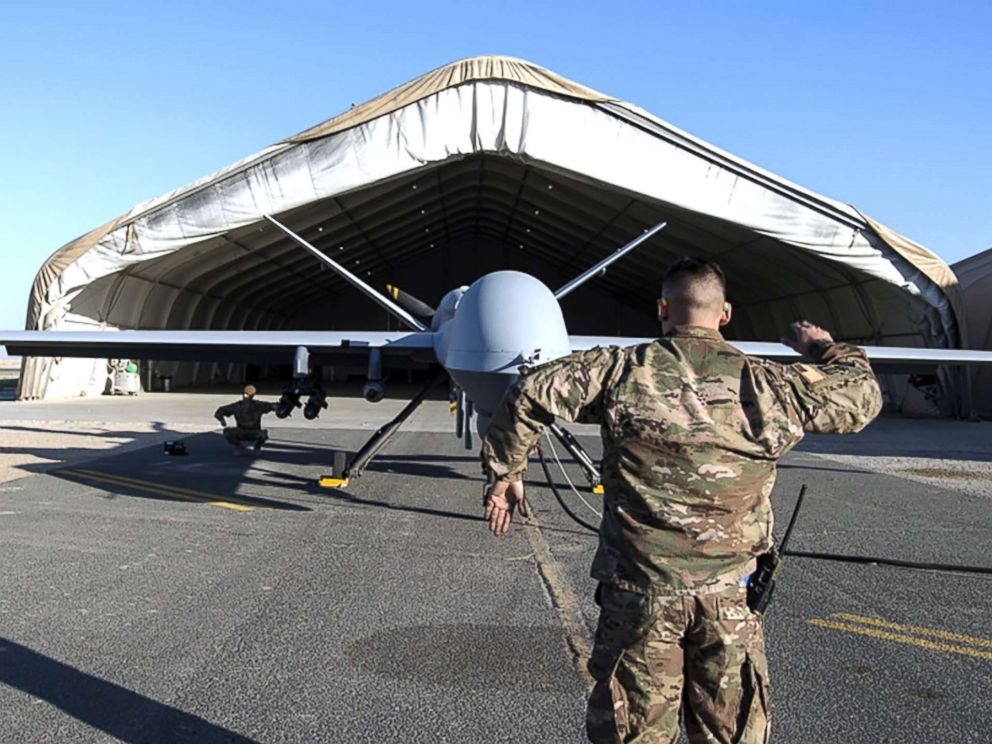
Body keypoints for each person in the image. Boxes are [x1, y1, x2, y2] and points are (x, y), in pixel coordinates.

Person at [480, 257, 882, 743]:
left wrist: (506, 472)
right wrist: (820, 346)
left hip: (639, 594)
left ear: (663, 309)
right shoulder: (770, 383)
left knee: (636, 733)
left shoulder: (621, 369)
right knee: (726, 733)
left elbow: (530, 389)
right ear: (725, 313)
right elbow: (861, 396)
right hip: (730, 598)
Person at [214, 385, 276, 454]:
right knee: (228, 433)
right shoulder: (239, 406)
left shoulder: (257, 405)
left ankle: (257, 446)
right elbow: (221, 410)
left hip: (254, 432)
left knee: (263, 435)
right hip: (242, 432)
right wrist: (222, 419)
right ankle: (239, 446)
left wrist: (281, 408)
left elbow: (272, 406)